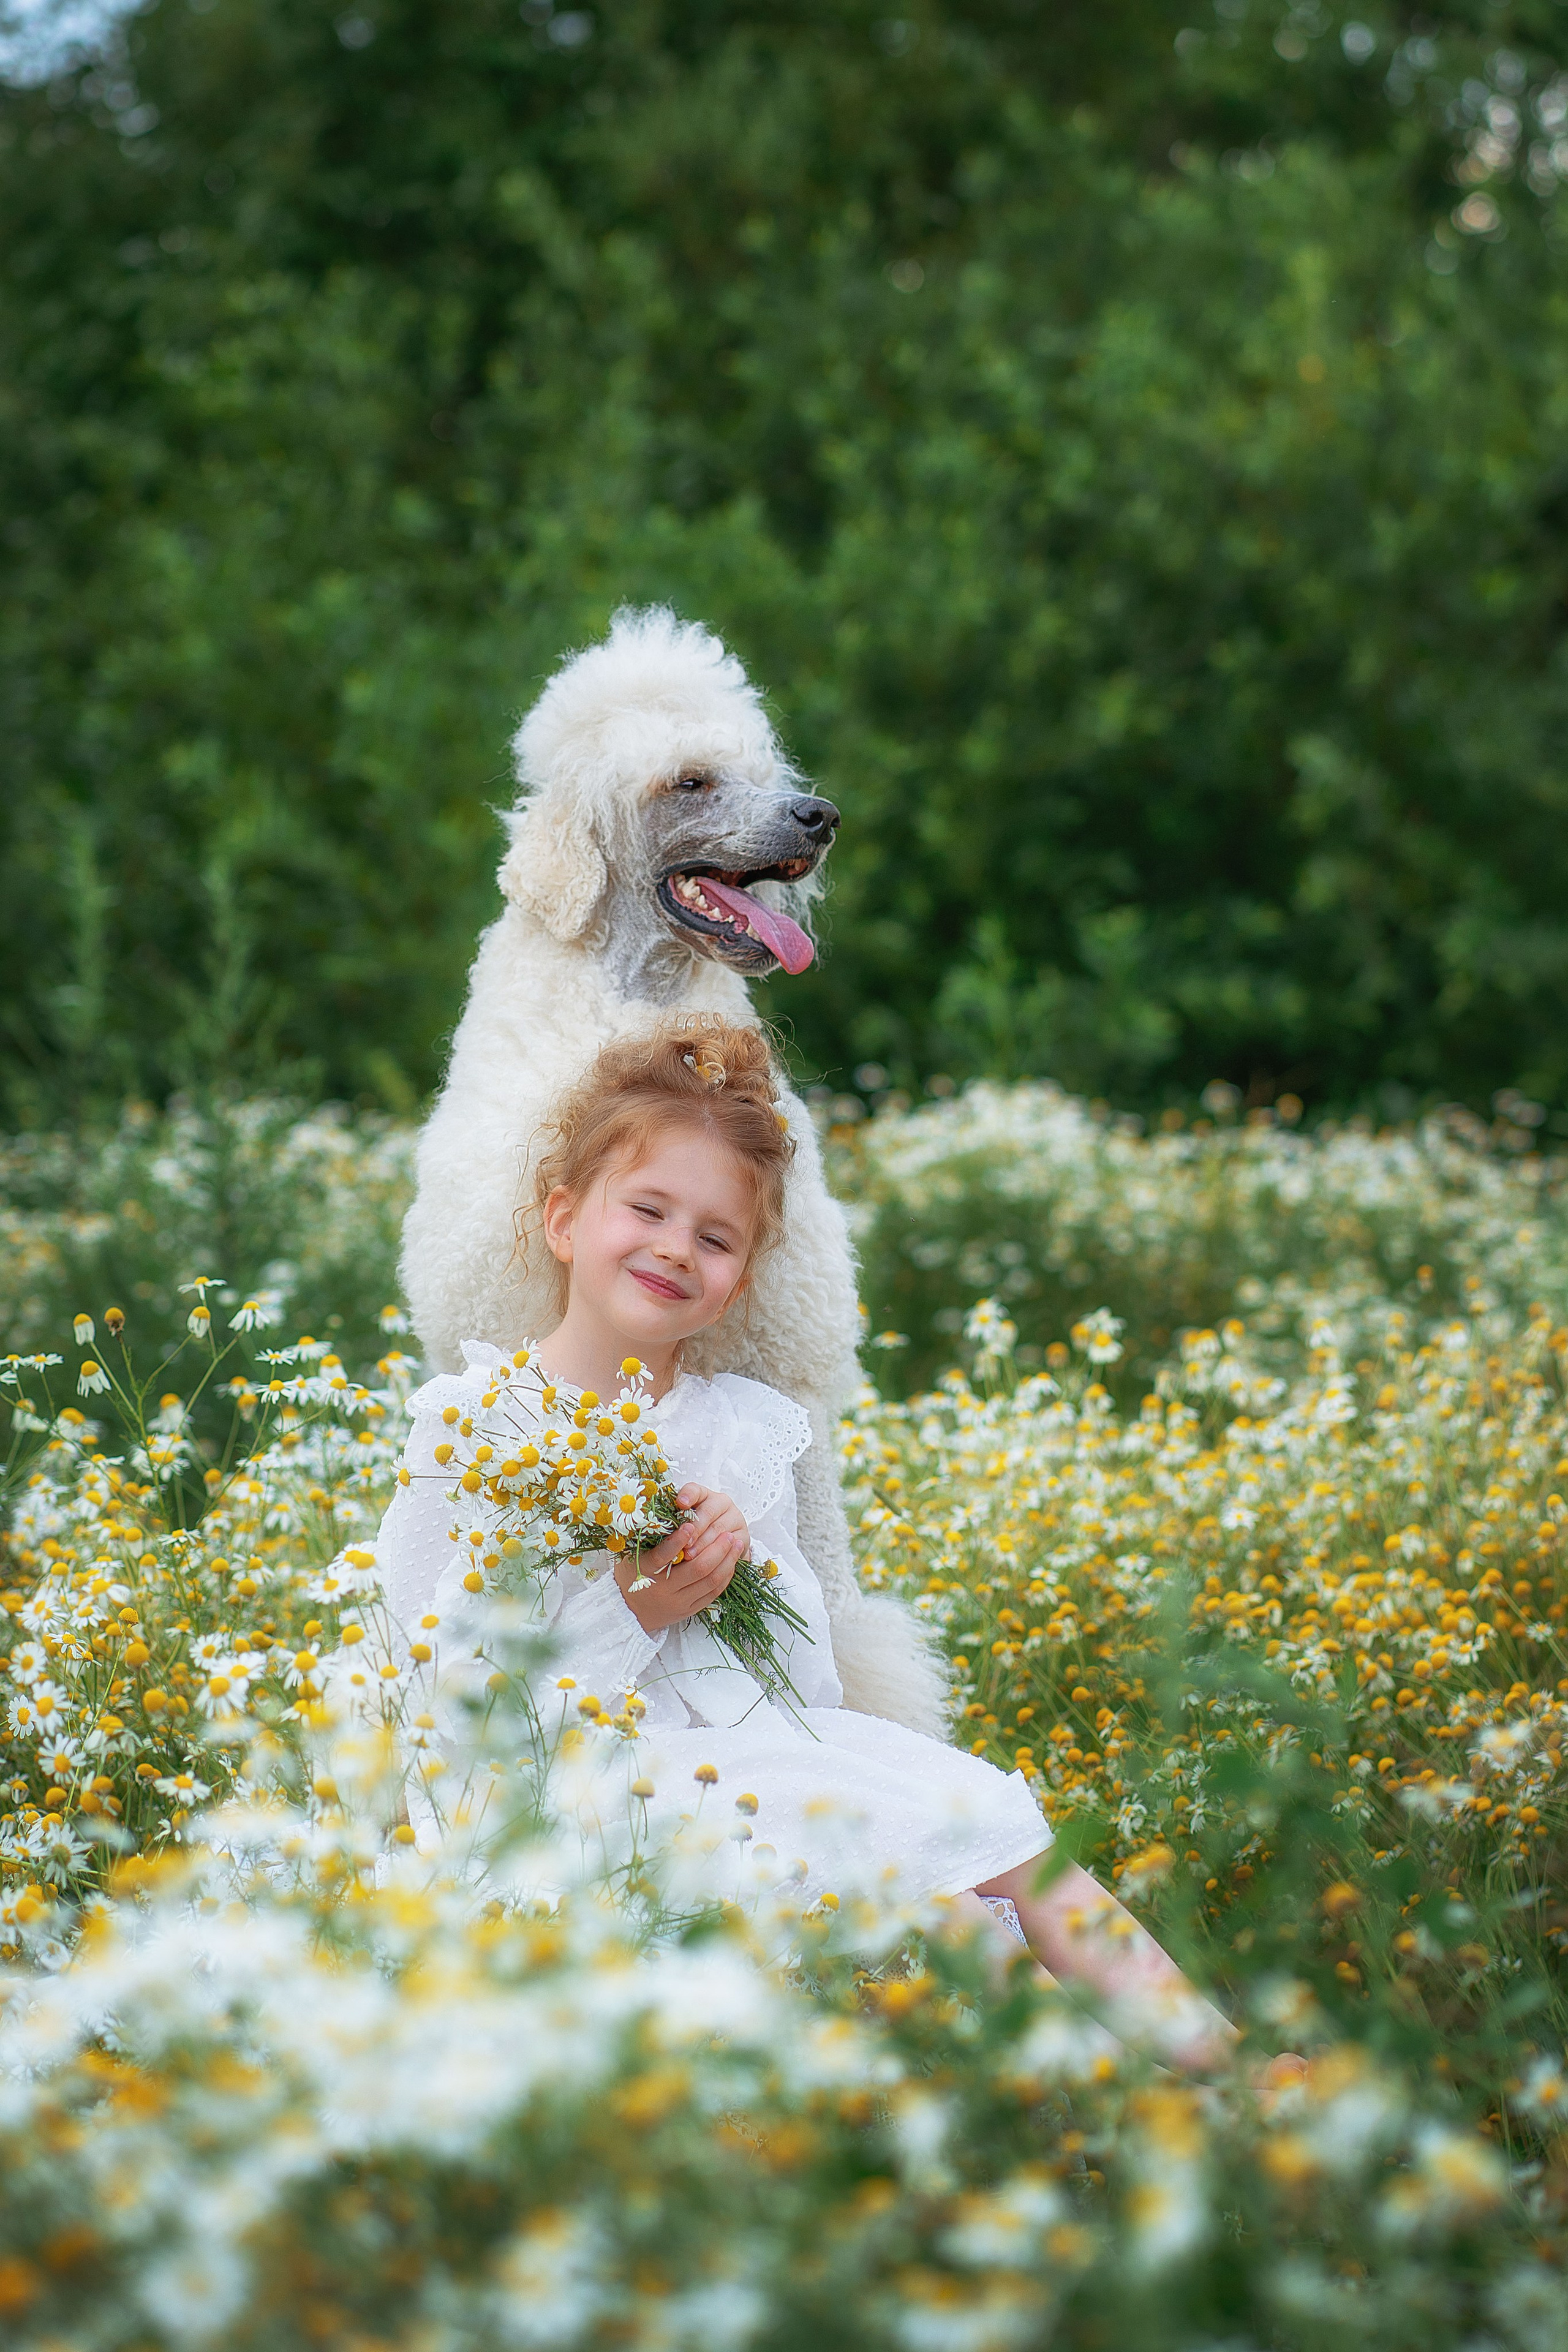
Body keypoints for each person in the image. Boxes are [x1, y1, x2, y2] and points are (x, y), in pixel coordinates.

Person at [376, 1016, 1253, 2078]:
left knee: (996, 1828)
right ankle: (1126, 2112)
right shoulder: (473, 1423)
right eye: (646, 1209)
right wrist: (634, 1609)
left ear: (739, 1280)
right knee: (937, 1917)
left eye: (715, 1237)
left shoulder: (746, 1427)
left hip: (762, 1754)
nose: (673, 1248)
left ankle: (1228, 2070)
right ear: (563, 1219)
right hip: (598, 1792)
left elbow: (801, 1681)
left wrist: (747, 1569)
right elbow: (446, 1699)